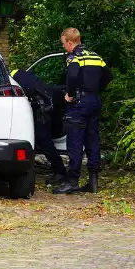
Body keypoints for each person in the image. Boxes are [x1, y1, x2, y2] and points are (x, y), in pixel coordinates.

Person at [53, 28, 111, 195]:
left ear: (70, 43)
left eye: (64, 44)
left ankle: (72, 181)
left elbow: (72, 77)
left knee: (75, 142)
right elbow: (108, 76)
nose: (64, 47)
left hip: (79, 103)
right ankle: (93, 180)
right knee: (92, 139)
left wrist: (70, 95)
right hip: (94, 101)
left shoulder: (74, 57)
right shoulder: (95, 56)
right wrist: (95, 90)